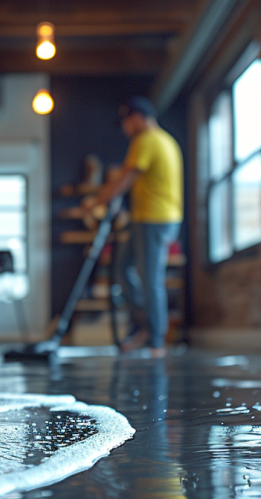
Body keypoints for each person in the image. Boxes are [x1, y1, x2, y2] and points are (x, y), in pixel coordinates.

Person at [89, 97, 183, 358]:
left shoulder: (146, 140)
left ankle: (155, 340)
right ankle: (144, 327)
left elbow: (126, 178)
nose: (124, 128)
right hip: (152, 218)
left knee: (149, 278)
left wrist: (96, 202)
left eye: (125, 122)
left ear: (136, 118)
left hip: (154, 219)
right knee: (122, 268)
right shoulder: (166, 140)